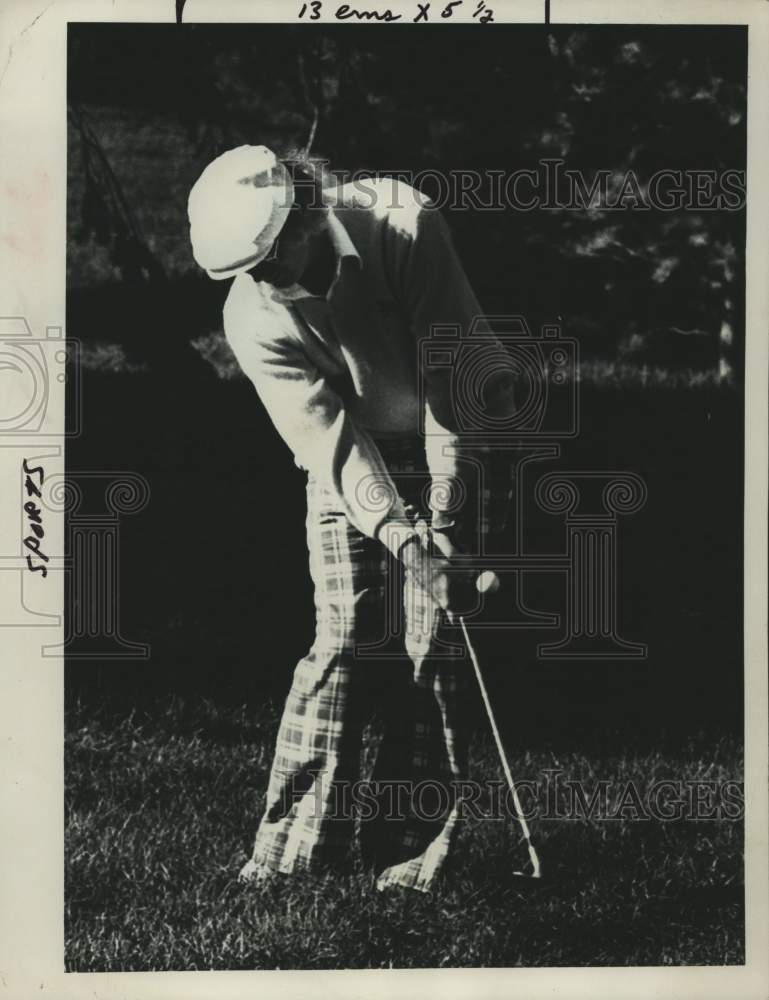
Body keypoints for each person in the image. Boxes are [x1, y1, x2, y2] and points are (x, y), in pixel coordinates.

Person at [187, 144, 515, 893]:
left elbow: (451, 375)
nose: (266, 279)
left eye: (274, 257)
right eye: (249, 270)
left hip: (448, 420)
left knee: (437, 643)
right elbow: (332, 447)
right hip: (354, 458)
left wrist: (445, 513)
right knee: (344, 637)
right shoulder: (251, 317)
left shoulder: (401, 224)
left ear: (307, 211)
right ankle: (294, 852)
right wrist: (404, 539)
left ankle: (410, 850)